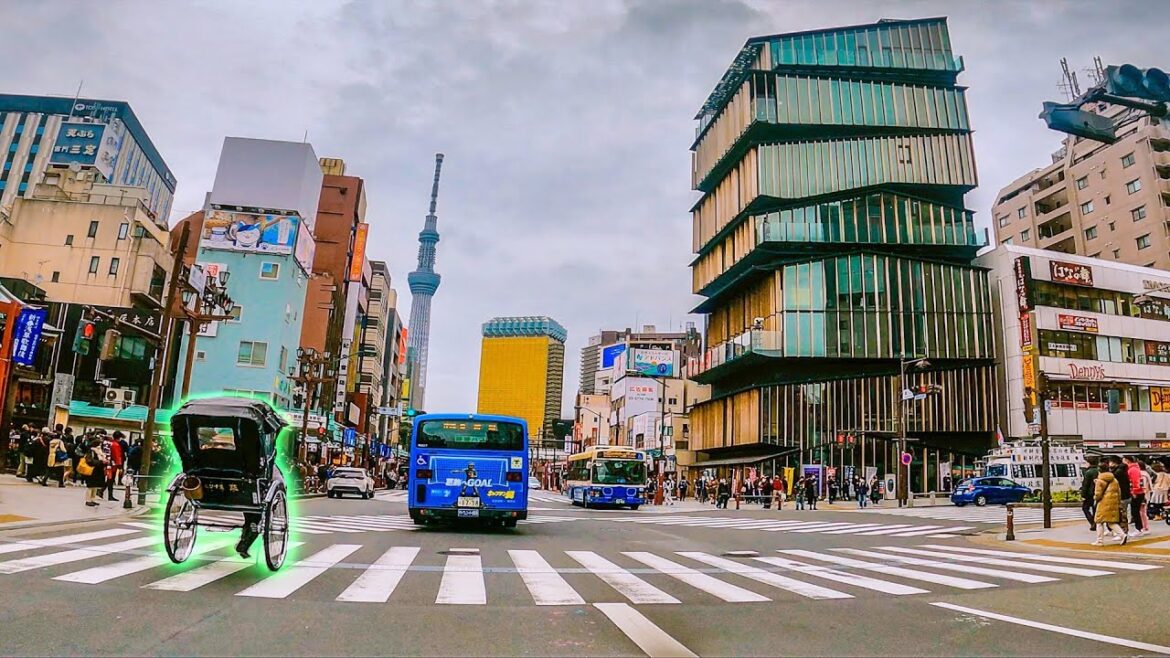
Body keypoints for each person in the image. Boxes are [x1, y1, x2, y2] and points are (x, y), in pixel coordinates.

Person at [1092, 467, 1124, 546]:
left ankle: (1100, 541)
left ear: (1099, 471)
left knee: (1099, 522)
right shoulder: (1114, 480)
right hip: (1113, 503)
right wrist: (1118, 502)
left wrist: (1095, 498)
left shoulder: (1099, 481)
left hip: (1103, 503)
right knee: (1111, 522)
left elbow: (1098, 494)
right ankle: (1122, 535)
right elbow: (1119, 492)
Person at [82, 437, 108, 507]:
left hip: (97, 471)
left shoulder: (99, 452)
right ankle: (88, 500)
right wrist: (100, 462)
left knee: (95, 486)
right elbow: (89, 461)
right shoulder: (91, 451)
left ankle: (93, 499)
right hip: (92, 470)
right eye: (99, 444)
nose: (100, 446)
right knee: (90, 486)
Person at [1111, 457, 1132, 537]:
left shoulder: (1118, 472)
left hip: (1121, 496)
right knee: (1123, 513)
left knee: (1121, 515)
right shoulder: (1124, 470)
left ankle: (1123, 532)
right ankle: (1124, 531)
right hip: (1126, 495)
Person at [1080, 457, 1099, 531]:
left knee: (1085, 508)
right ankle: (1095, 523)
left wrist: (1083, 495)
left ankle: (1092, 522)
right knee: (1095, 509)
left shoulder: (1088, 472)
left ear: (1089, 463)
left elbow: (1085, 485)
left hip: (1089, 494)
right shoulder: (1098, 470)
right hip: (1097, 492)